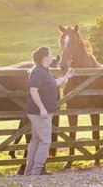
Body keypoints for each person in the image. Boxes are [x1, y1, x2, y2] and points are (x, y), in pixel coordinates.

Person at [24, 46, 75, 176]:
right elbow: (33, 91)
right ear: (45, 57)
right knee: (45, 140)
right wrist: (42, 108)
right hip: (40, 112)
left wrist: (66, 76)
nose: (53, 56)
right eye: (51, 54)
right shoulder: (37, 72)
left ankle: (29, 171)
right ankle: (36, 171)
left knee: (36, 140)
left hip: (43, 112)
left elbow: (54, 83)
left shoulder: (45, 71)